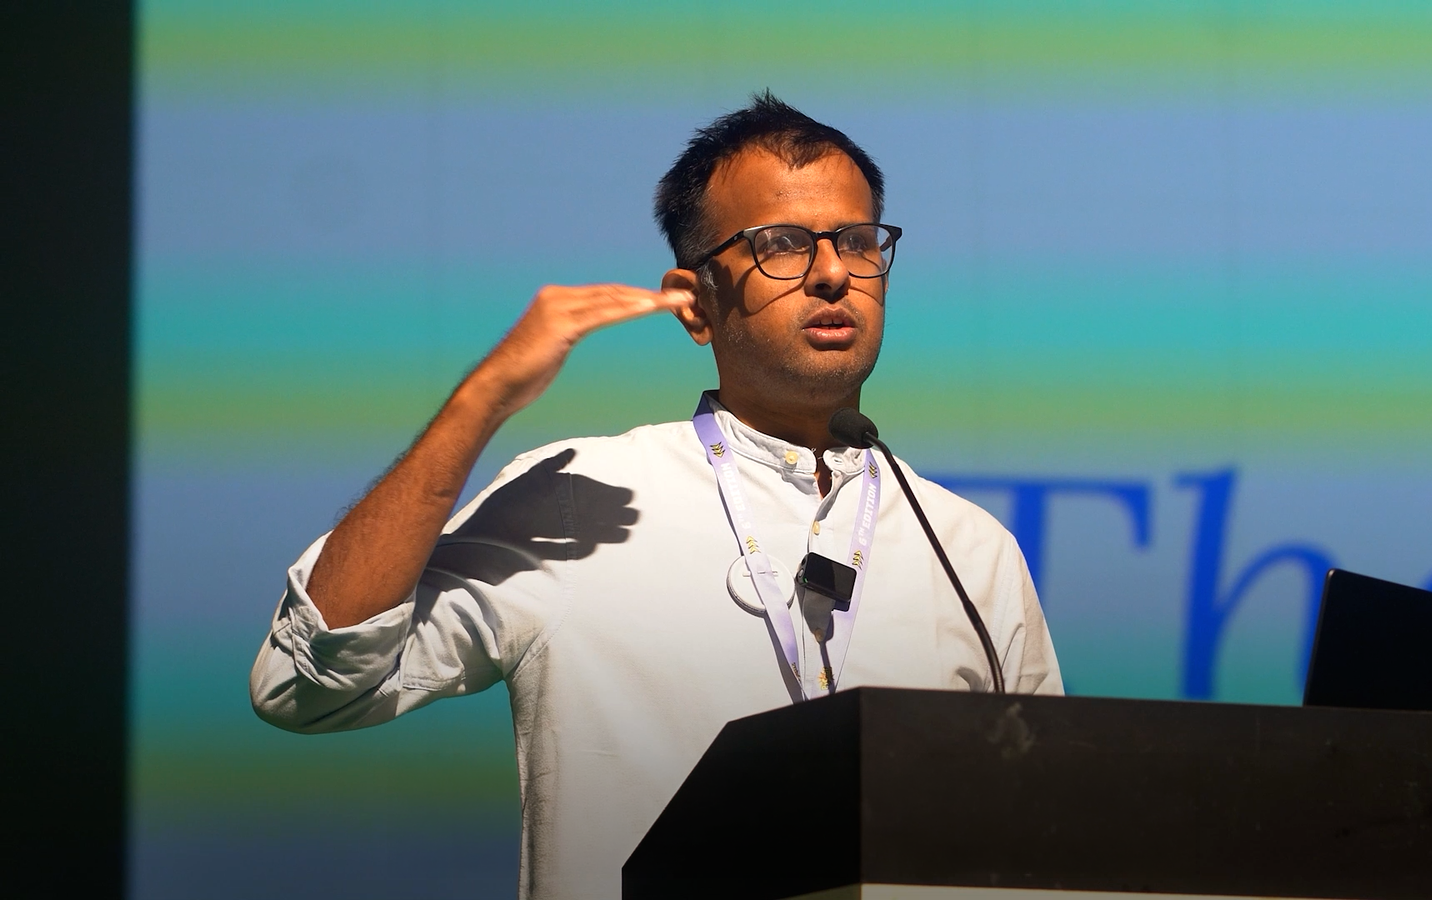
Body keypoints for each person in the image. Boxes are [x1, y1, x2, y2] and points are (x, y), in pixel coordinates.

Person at [250, 92, 1062, 899]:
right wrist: (481, 401)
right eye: (782, 244)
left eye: (856, 241)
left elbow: (1048, 834)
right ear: (695, 303)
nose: (832, 273)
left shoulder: (967, 548)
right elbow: (307, 685)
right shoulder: (579, 494)